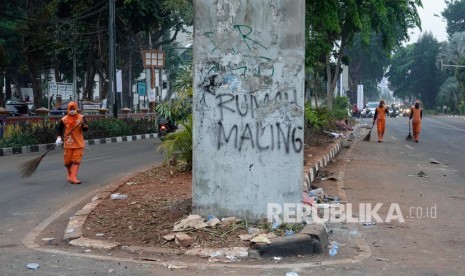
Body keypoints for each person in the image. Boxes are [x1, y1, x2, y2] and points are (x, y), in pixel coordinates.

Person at [55, 101, 88, 184]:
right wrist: (58, 138)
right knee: (67, 162)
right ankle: (70, 175)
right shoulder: (64, 119)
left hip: (78, 143)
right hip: (68, 143)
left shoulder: (81, 118)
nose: (72, 110)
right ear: (68, 109)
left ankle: (73, 177)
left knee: (76, 161)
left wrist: (84, 125)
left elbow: (86, 129)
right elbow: (59, 129)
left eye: (73, 109)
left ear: (76, 109)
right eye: (71, 109)